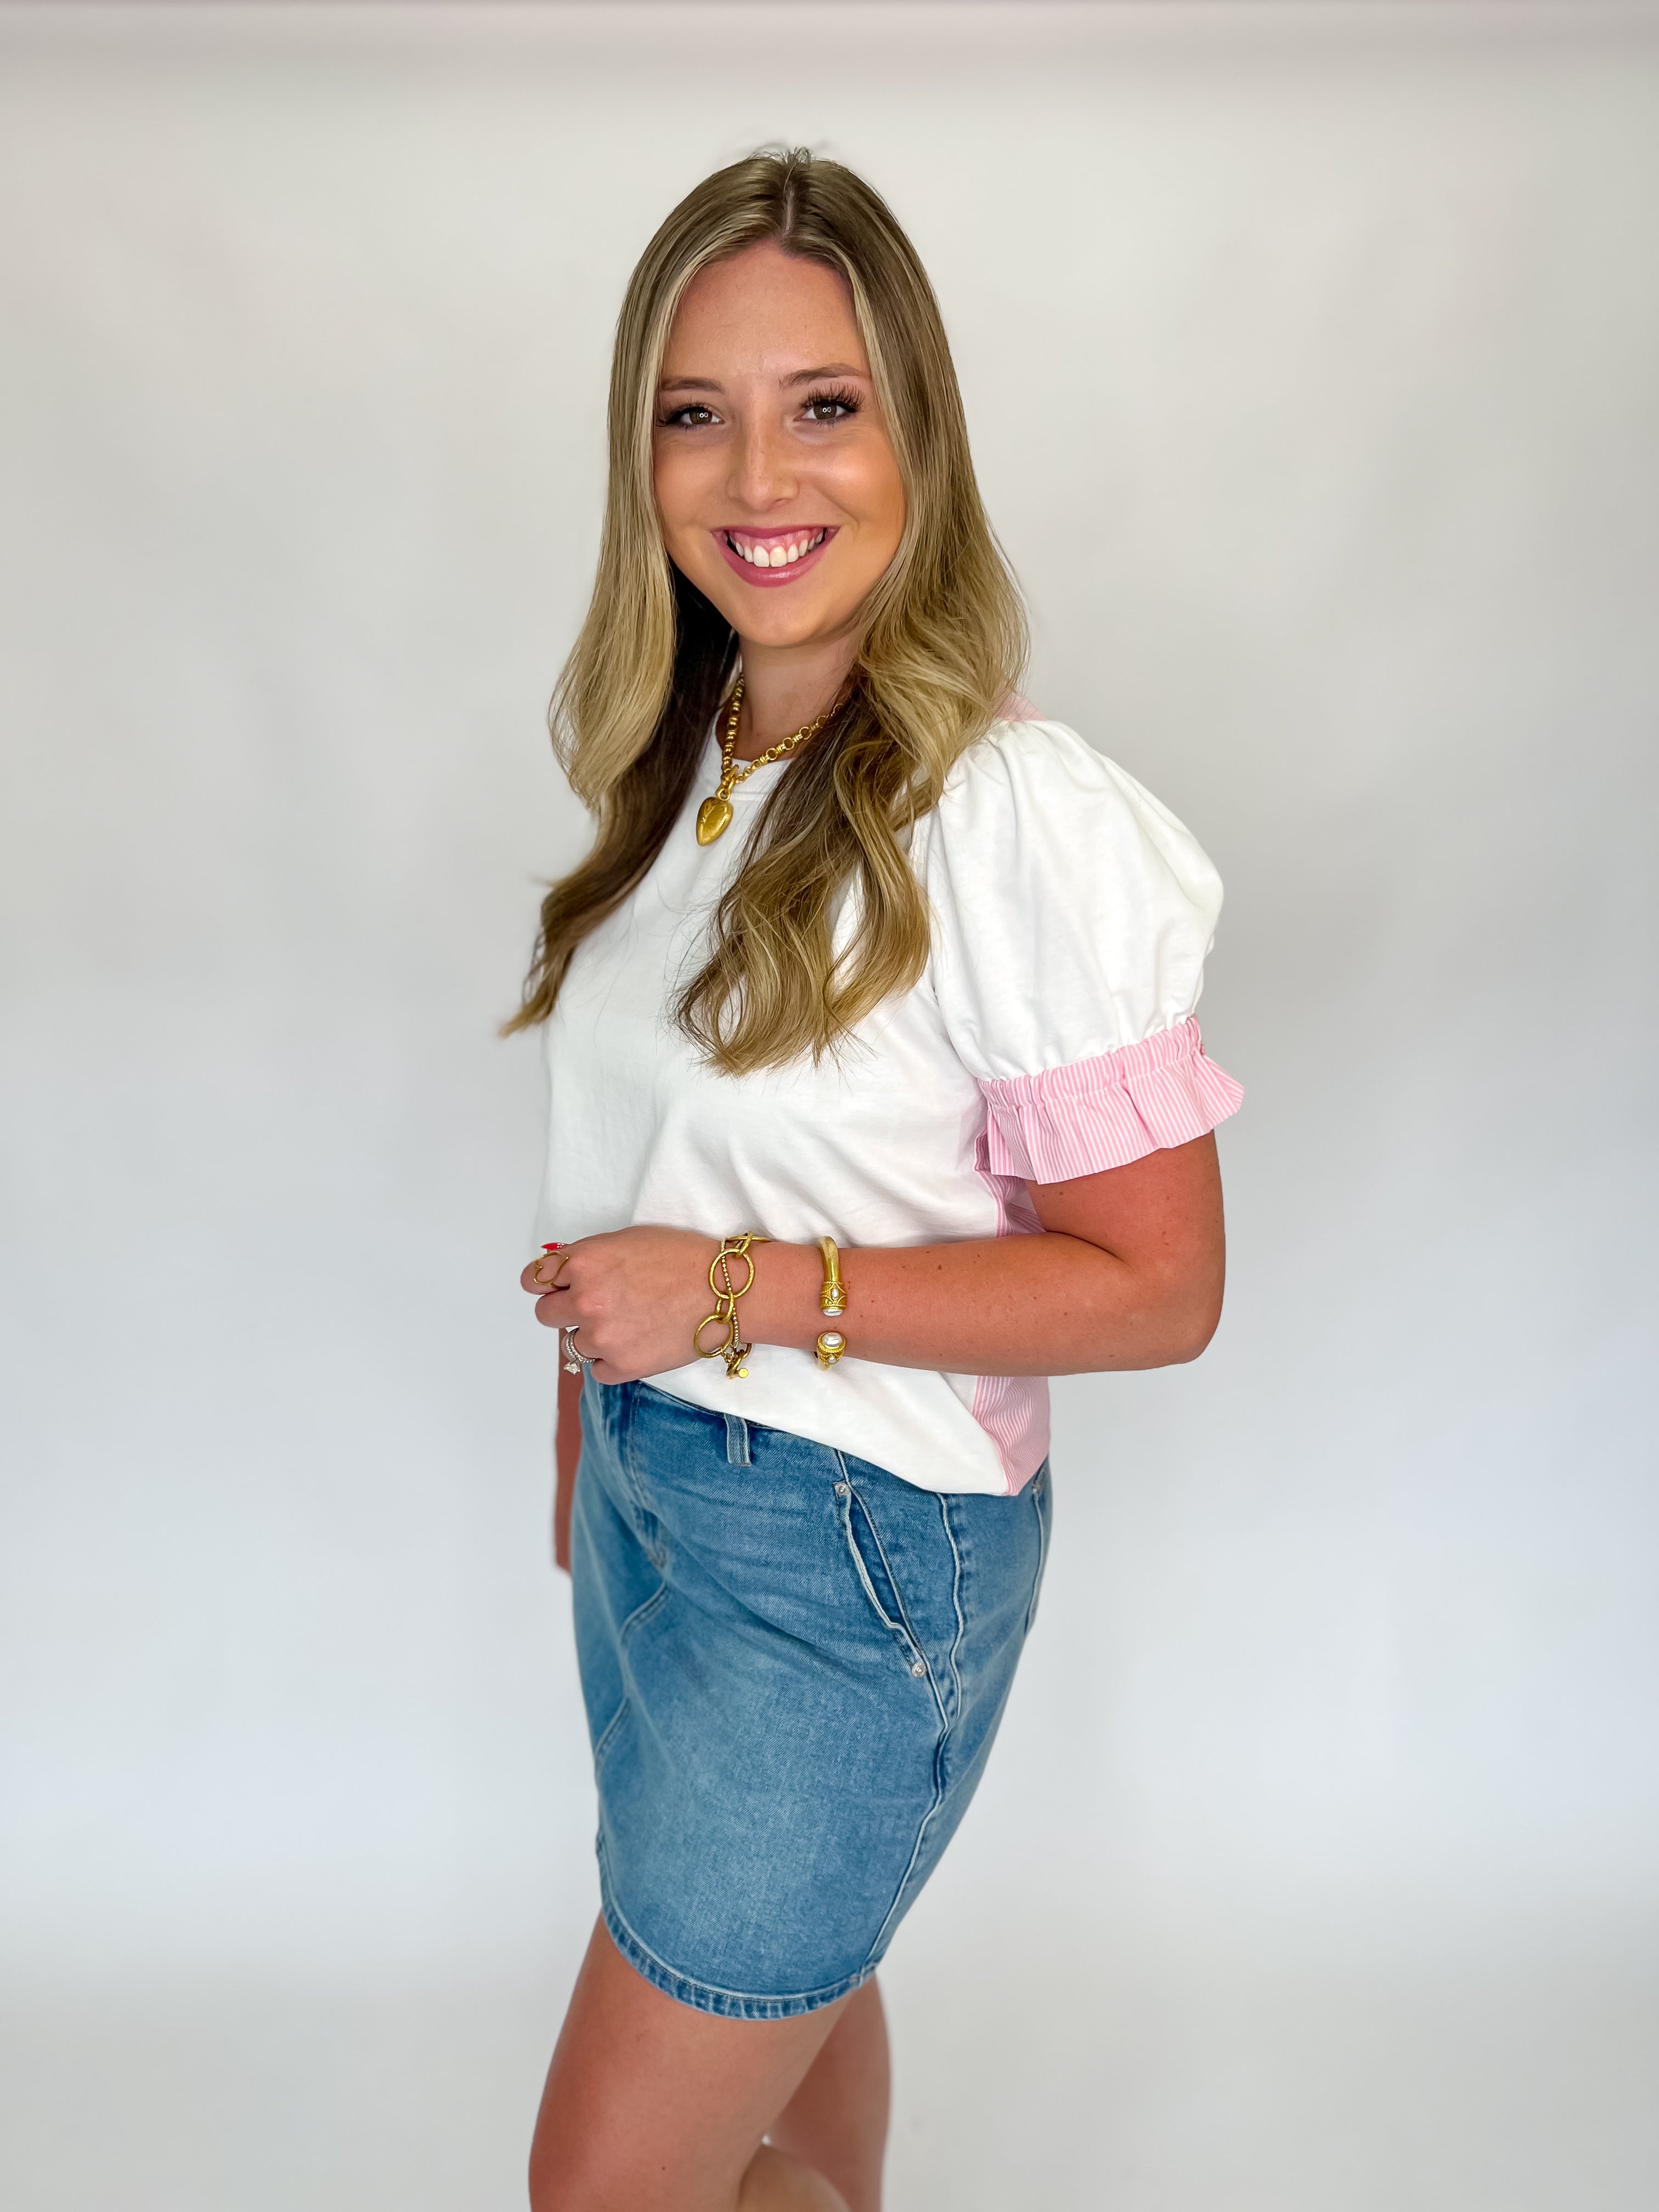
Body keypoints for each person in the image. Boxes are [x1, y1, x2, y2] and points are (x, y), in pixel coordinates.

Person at [510, 148, 1241, 2212]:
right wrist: (595, 1458)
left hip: (845, 1556)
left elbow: (1158, 1286)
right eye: (696, 412)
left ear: (917, 427)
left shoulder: (1008, 814)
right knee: (768, 2109)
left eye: (823, 404)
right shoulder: (691, 768)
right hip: (665, 1514)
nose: (761, 473)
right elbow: (632, 1168)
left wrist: (730, 1292)